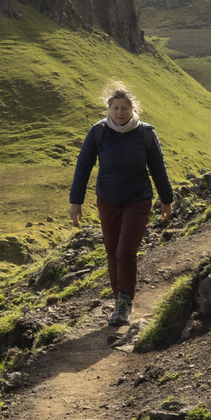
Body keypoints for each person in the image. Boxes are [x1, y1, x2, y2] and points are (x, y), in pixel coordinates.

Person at [67, 81, 173, 326]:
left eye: (124, 108)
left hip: (138, 198)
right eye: (116, 108)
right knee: (112, 251)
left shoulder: (146, 133)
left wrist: (166, 200)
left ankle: (125, 301)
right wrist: (76, 202)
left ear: (133, 109)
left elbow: (158, 168)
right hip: (108, 199)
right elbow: (83, 166)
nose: (120, 113)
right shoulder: (98, 132)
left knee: (126, 251)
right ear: (109, 109)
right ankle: (118, 299)